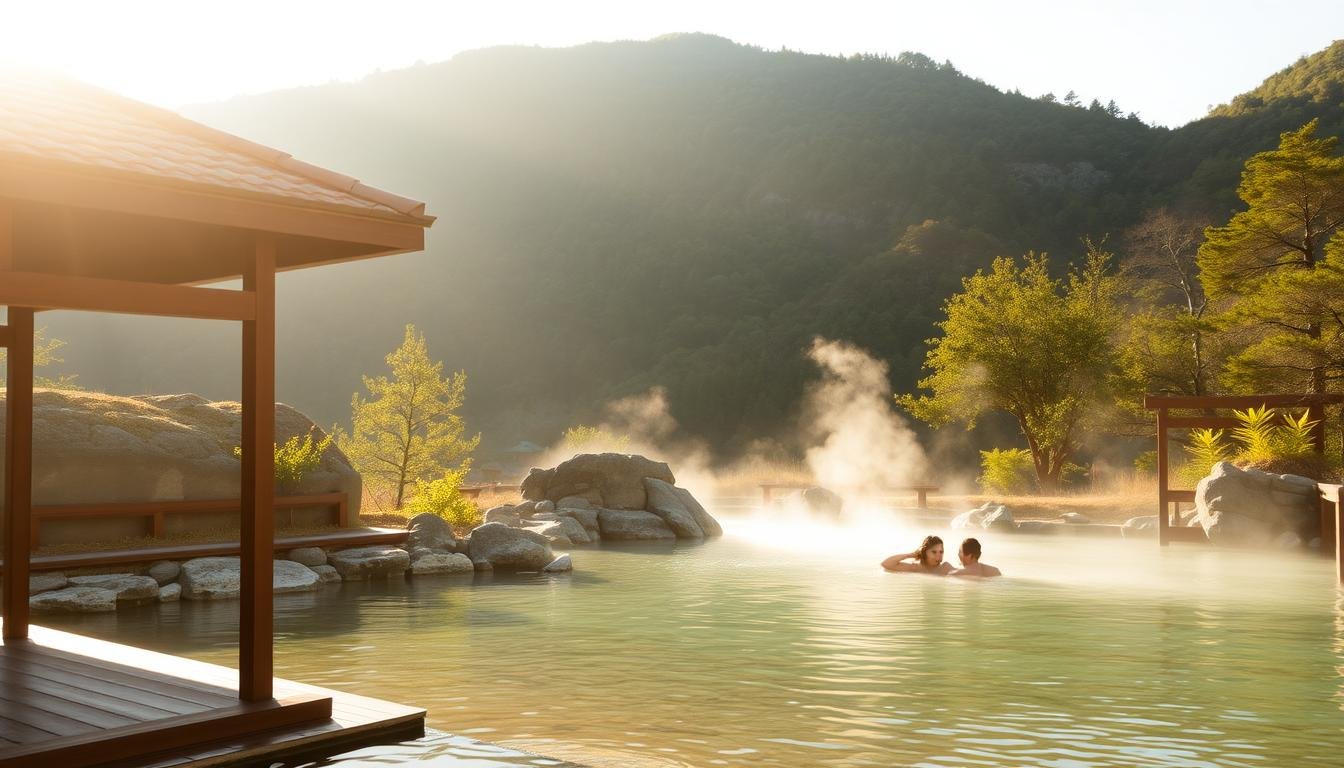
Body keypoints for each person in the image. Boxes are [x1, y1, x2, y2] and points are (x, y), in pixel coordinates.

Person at [881, 535, 954, 575]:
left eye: (941, 552)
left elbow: (963, 573)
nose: (938, 556)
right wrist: (909, 555)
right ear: (924, 552)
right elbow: (886, 564)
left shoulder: (945, 567)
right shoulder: (915, 568)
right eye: (934, 552)